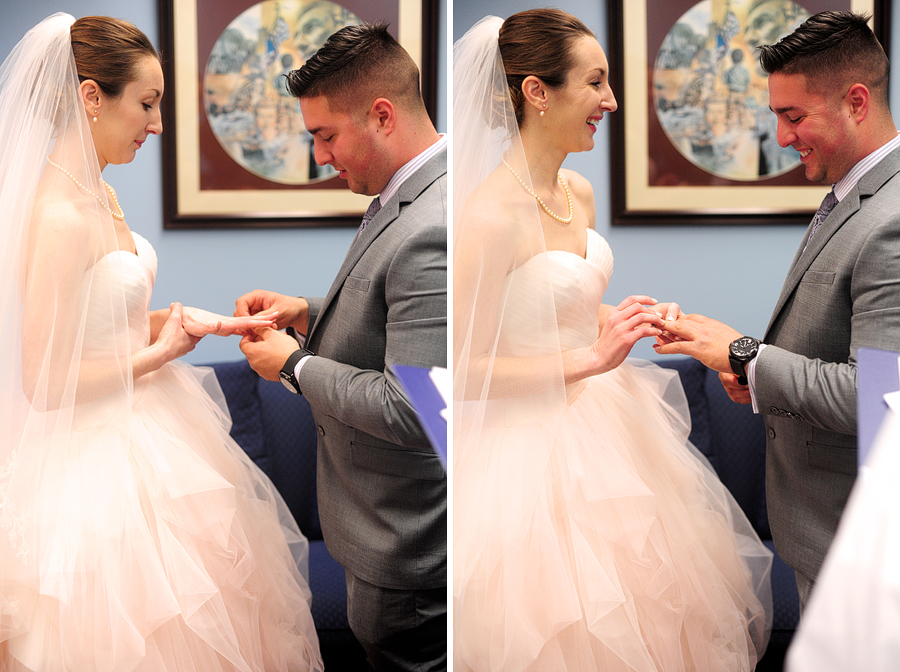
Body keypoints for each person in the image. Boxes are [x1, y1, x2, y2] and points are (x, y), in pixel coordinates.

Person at [0, 13, 323, 671]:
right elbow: (45, 378)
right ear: (91, 96)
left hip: (152, 428)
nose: (157, 123)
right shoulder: (57, 216)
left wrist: (201, 323)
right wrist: (165, 353)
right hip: (90, 464)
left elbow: (103, 320)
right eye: (146, 104)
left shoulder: (101, 193)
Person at [452, 9, 772, 672]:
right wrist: (590, 358)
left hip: (615, 432)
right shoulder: (486, 217)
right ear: (538, 92)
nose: (611, 100)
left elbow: (560, 304)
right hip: (528, 457)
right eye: (596, 82)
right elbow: (461, 371)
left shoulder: (578, 192)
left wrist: (621, 319)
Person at [654, 10, 900, 613]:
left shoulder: (892, 221)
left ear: (857, 101)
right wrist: (752, 375)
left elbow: (881, 397)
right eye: (776, 117)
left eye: (795, 117)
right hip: (821, 531)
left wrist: (747, 356)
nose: (783, 138)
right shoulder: (852, 193)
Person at [234, 22, 447, 672]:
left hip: (406, 544)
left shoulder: (433, 226)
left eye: (326, 135)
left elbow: (417, 410)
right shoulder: (409, 196)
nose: (322, 157)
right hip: (376, 528)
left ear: (382, 115)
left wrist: (293, 366)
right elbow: (397, 324)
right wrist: (309, 310)